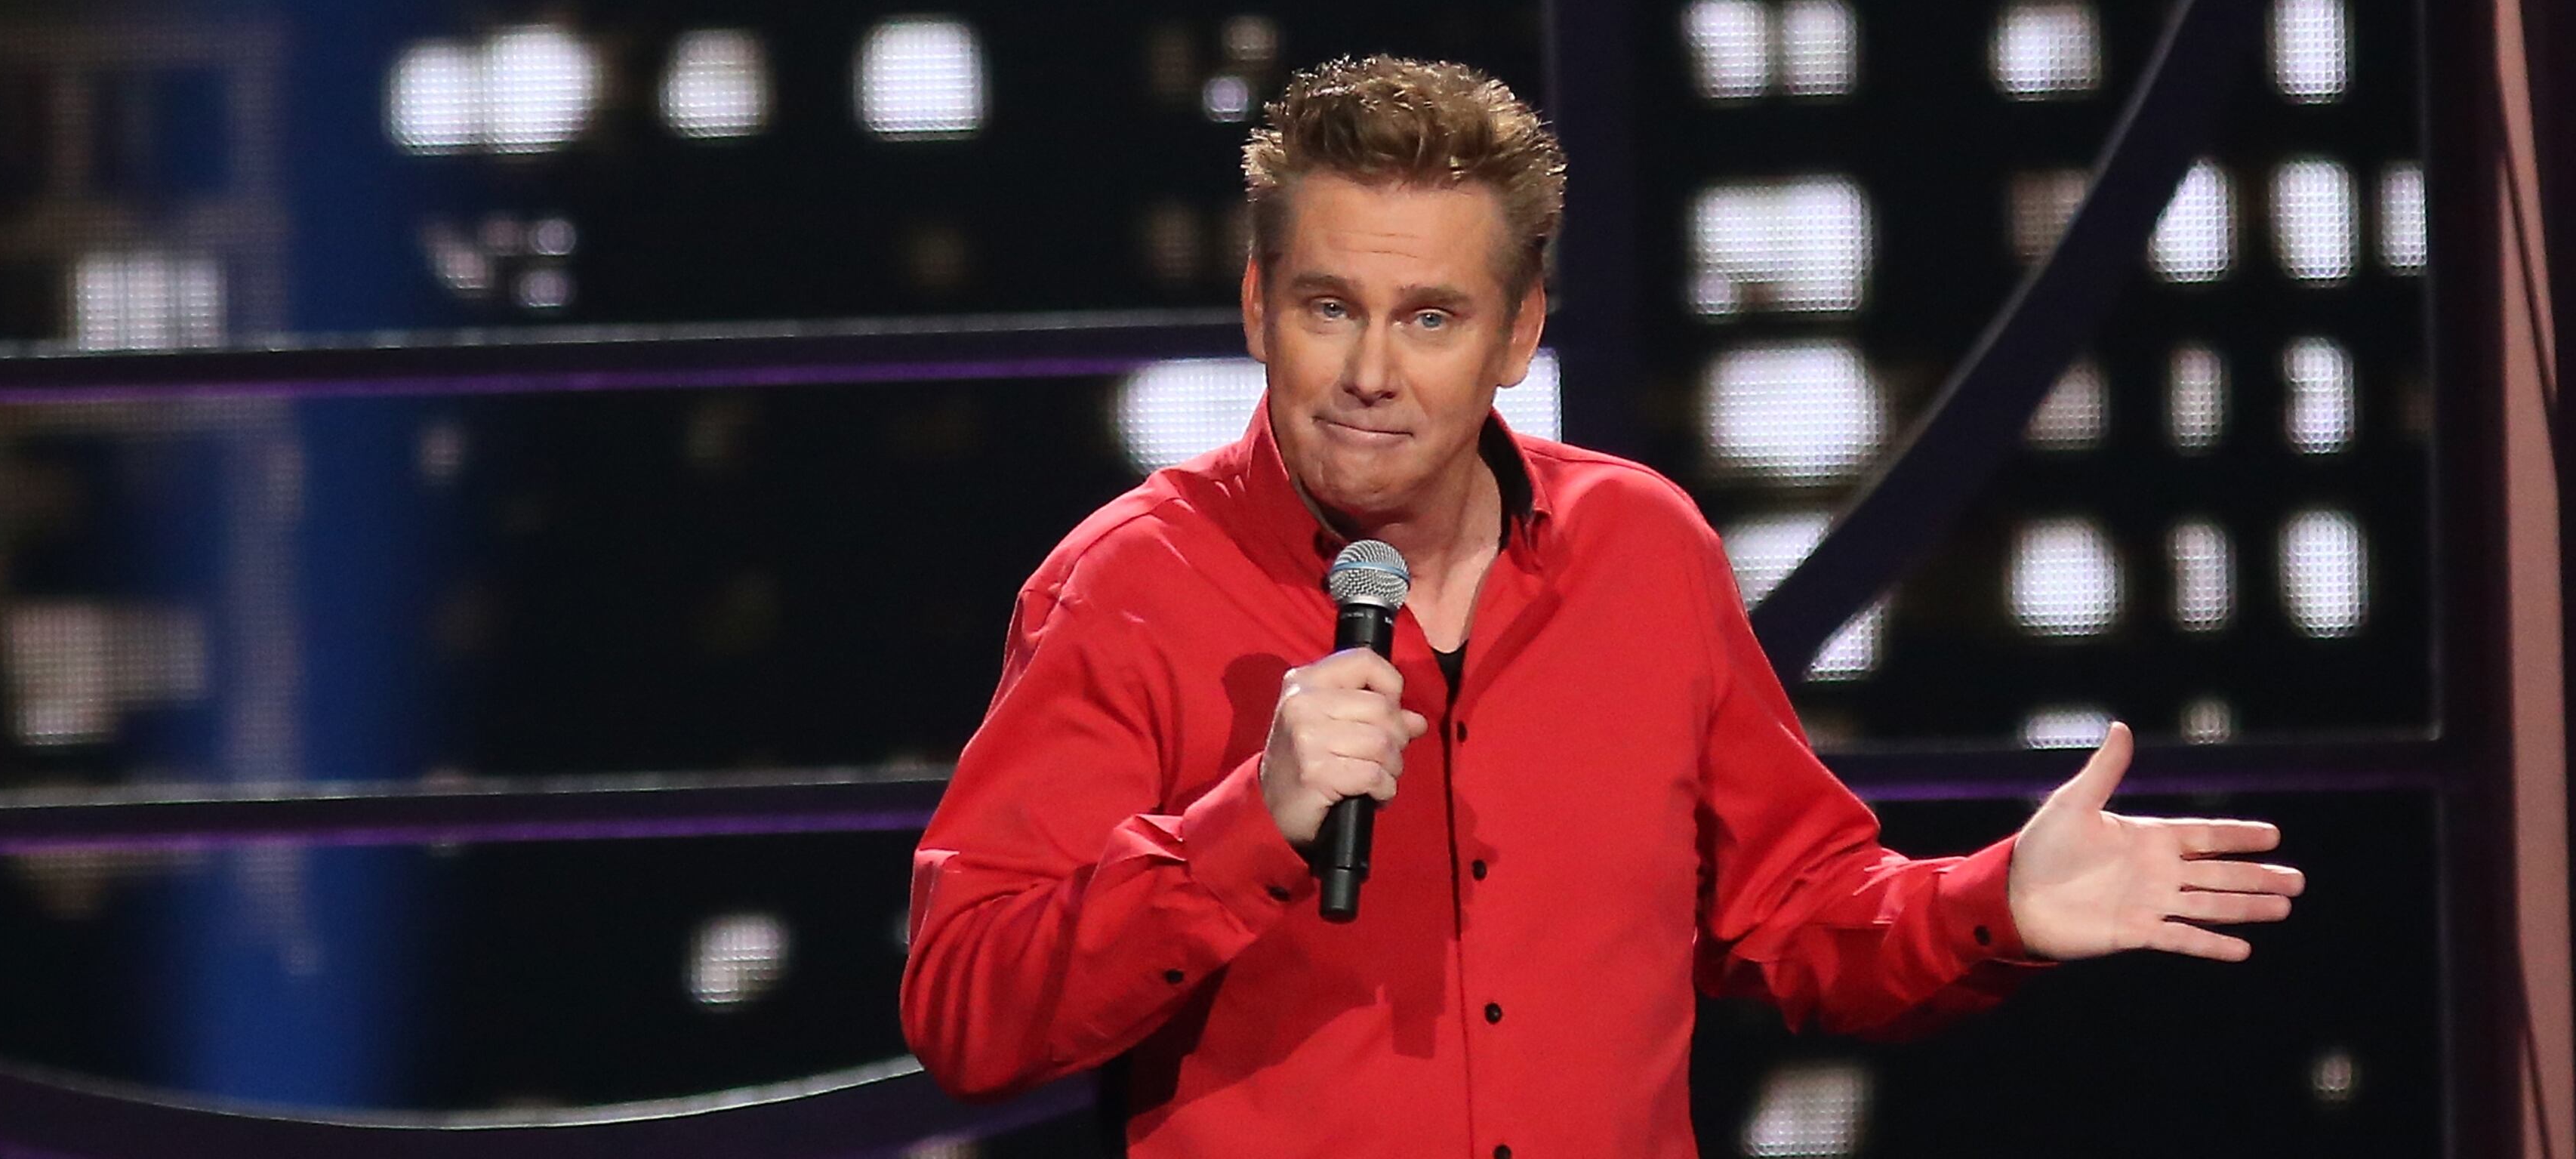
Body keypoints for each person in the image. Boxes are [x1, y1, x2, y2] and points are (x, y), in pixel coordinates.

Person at [901, 57, 2303, 1156]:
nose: (1371, 372)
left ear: (1519, 335)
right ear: (1260, 308)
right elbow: (969, 1009)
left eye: (1432, 318)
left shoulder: (1641, 551)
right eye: (1331, 307)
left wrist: (1993, 904)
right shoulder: (1134, 585)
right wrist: (1239, 833)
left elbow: (1798, 910)